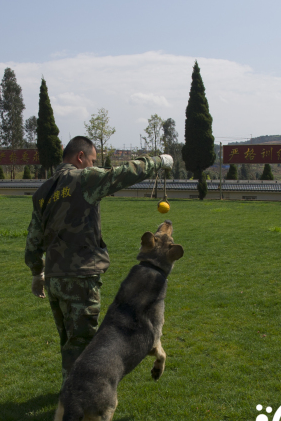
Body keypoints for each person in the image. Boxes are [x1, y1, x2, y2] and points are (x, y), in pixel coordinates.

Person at [24, 136, 173, 382]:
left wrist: (36, 272)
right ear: (80, 157)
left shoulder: (43, 192)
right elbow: (123, 173)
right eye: (92, 161)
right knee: (83, 345)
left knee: (68, 342)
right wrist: (160, 161)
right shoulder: (83, 180)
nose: (94, 166)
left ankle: (67, 396)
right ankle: (77, 405)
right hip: (80, 277)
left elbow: (33, 240)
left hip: (54, 279)